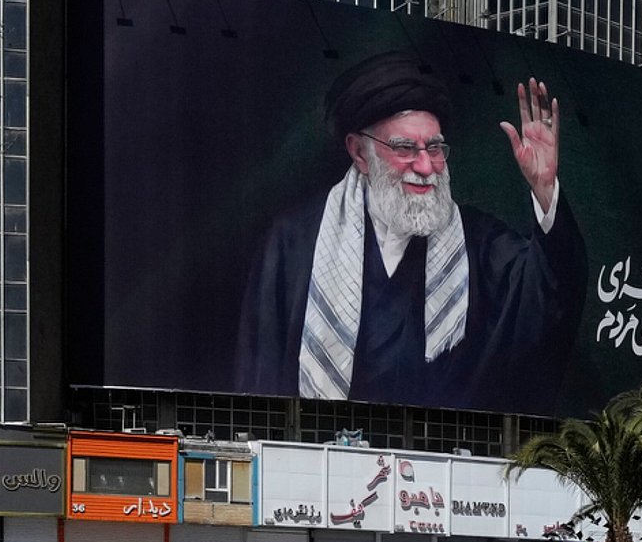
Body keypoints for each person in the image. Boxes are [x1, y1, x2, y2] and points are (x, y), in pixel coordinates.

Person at [232, 53, 587, 412]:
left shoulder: (478, 242)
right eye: (404, 148)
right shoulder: (295, 243)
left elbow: (548, 293)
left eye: (434, 148)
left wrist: (544, 188)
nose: (425, 166)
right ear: (359, 152)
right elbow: (261, 379)